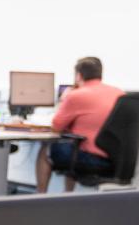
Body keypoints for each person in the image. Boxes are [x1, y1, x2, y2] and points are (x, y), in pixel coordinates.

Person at [35, 57, 124, 193]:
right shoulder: (119, 93)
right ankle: (68, 196)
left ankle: (39, 198)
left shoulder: (76, 95)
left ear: (78, 75)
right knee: (71, 146)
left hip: (90, 159)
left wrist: (64, 100)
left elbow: (56, 127)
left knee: (46, 150)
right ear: (100, 73)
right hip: (116, 159)